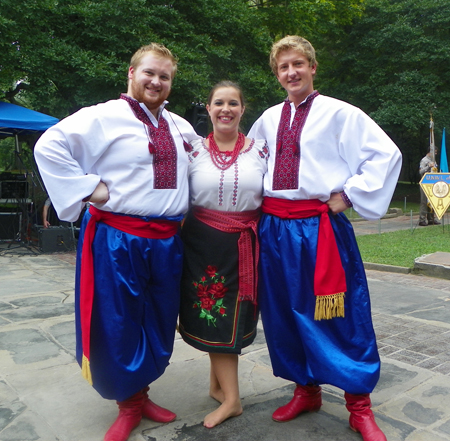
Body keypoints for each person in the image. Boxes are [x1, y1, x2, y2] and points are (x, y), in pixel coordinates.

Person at [34, 43, 201, 441]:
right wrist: (92, 189)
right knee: (119, 322)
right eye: (150, 73)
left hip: (167, 242)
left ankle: (142, 394)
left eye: (164, 76)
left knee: (158, 320)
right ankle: (128, 405)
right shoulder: (102, 116)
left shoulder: (181, 126)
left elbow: (202, 168)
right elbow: (49, 146)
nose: (156, 81)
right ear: (131, 73)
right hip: (119, 241)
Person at [248, 36, 402, 441]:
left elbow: (384, 155)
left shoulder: (341, 114)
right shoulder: (266, 118)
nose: (291, 73)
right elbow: (249, 168)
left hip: (320, 232)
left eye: (298, 64)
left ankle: (359, 406)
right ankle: (306, 390)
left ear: (312, 67)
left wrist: (348, 195)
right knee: (283, 315)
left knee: (340, 315)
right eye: (283, 67)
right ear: (277, 74)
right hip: (275, 230)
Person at [178, 81, 268, 429]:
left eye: (233, 103)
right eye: (219, 103)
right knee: (212, 316)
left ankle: (232, 400)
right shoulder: (193, 150)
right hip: (201, 244)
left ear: (243, 109)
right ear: (209, 109)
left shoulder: (261, 150)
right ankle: (219, 388)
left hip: (243, 243)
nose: (225, 109)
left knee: (231, 318)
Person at [419, 150, 440, 226]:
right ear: (430, 152)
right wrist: (428, 166)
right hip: (425, 184)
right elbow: (420, 172)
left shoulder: (433, 161)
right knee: (424, 202)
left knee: (432, 201)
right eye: (435, 152)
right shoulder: (424, 160)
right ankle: (422, 219)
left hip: (432, 184)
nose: (436, 154)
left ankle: (431, 219)